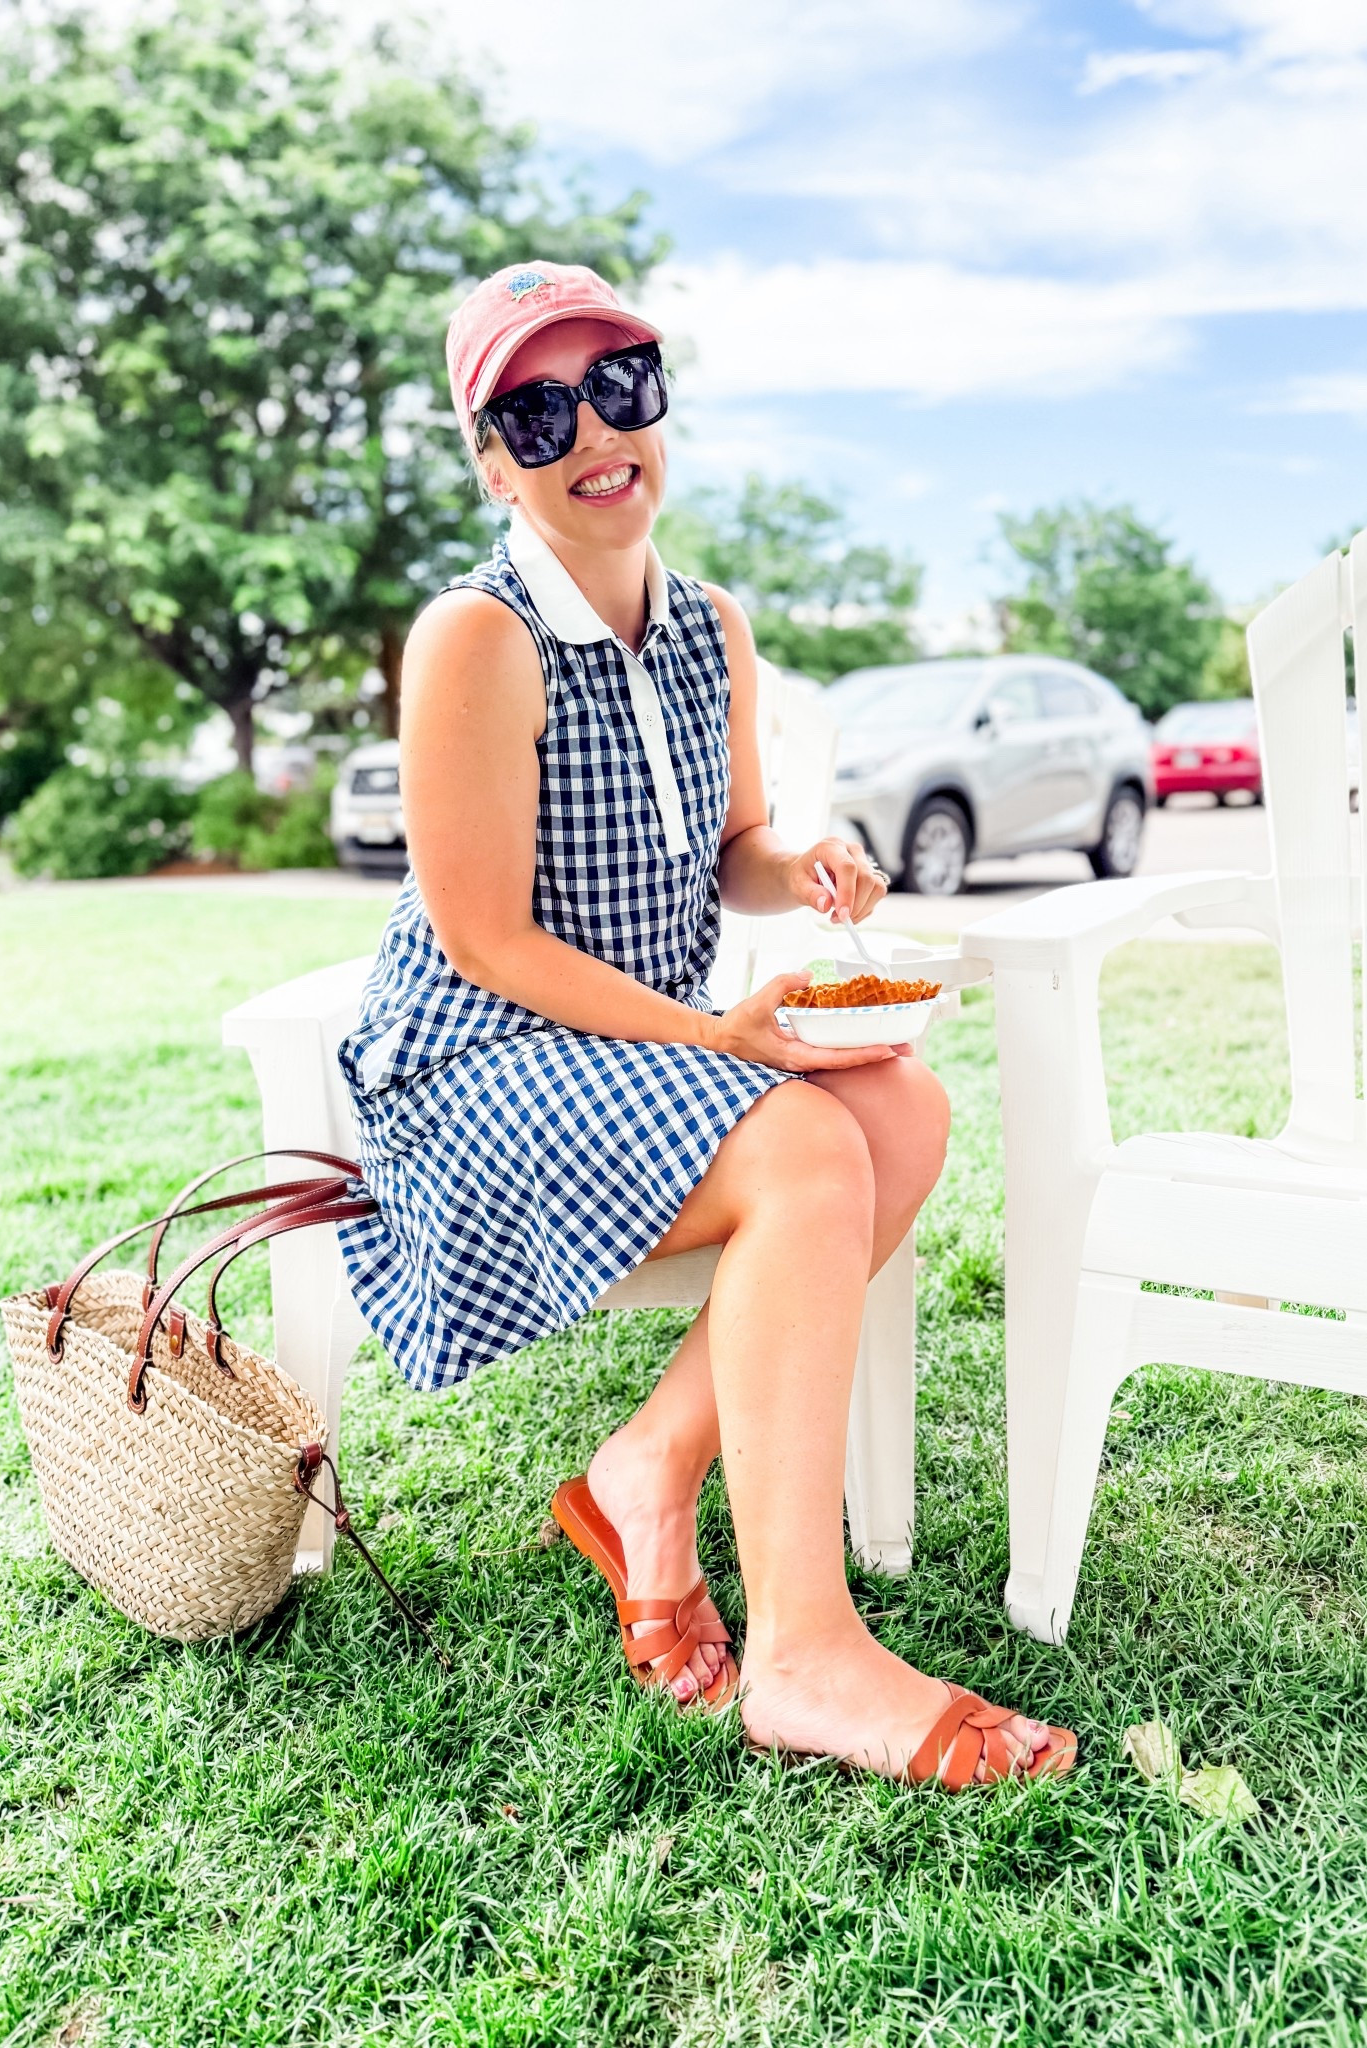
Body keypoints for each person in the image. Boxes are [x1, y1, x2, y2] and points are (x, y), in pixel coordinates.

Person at [336, 261, 1075, 1789]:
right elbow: (481, 938)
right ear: (492, 457)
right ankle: (807, 1650)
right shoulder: (472, 639)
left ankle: (646, 1467)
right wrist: (716, 1042)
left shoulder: (708, 626)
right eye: (535, 409)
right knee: (811, 1144)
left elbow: (729, 842)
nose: (591, 429)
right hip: (474, 1062)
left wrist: (794, 862)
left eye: (621, 383)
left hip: (639, 1047)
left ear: (658, 402)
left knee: (908, 1113)